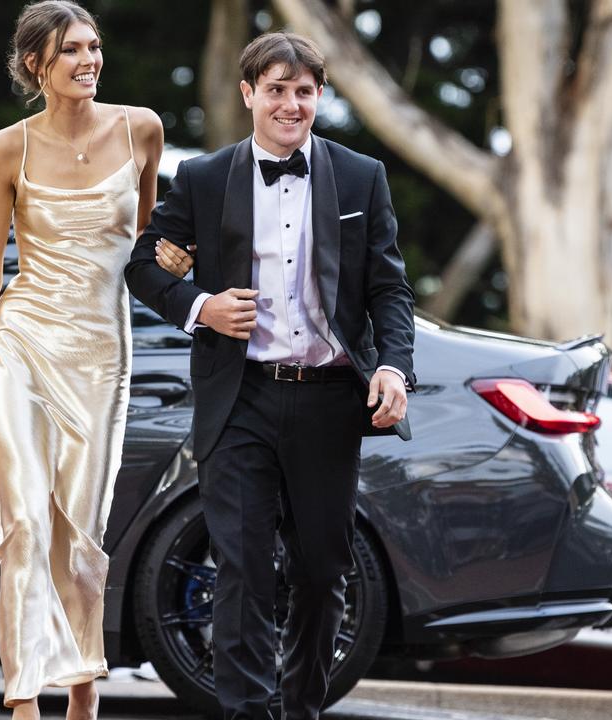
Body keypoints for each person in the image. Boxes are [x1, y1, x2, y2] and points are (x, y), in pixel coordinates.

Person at [128, 32, 415, 720]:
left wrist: (395, 368)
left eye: (305, 92)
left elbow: (390, 291)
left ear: (320, 96)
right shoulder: (202, 177)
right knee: (244, 568)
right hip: (241, 399)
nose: (291, 105)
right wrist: (201, 306)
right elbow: (142, 263)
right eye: (277, 90)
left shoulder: (359, 177)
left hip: (327, 401)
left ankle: (303, 708)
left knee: (321, 571)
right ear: (249, 93)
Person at [0, 2, 163, 717]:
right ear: (36, 65)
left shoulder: (141, 129)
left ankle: (81, 690)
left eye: (94, 46)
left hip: (102, 355)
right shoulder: (6, 149)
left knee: (81, 530)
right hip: (19, 345)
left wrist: (182, 261)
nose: (89, 60)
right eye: (71, 50)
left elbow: (146, 248)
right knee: (24, 523)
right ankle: (21, 700)